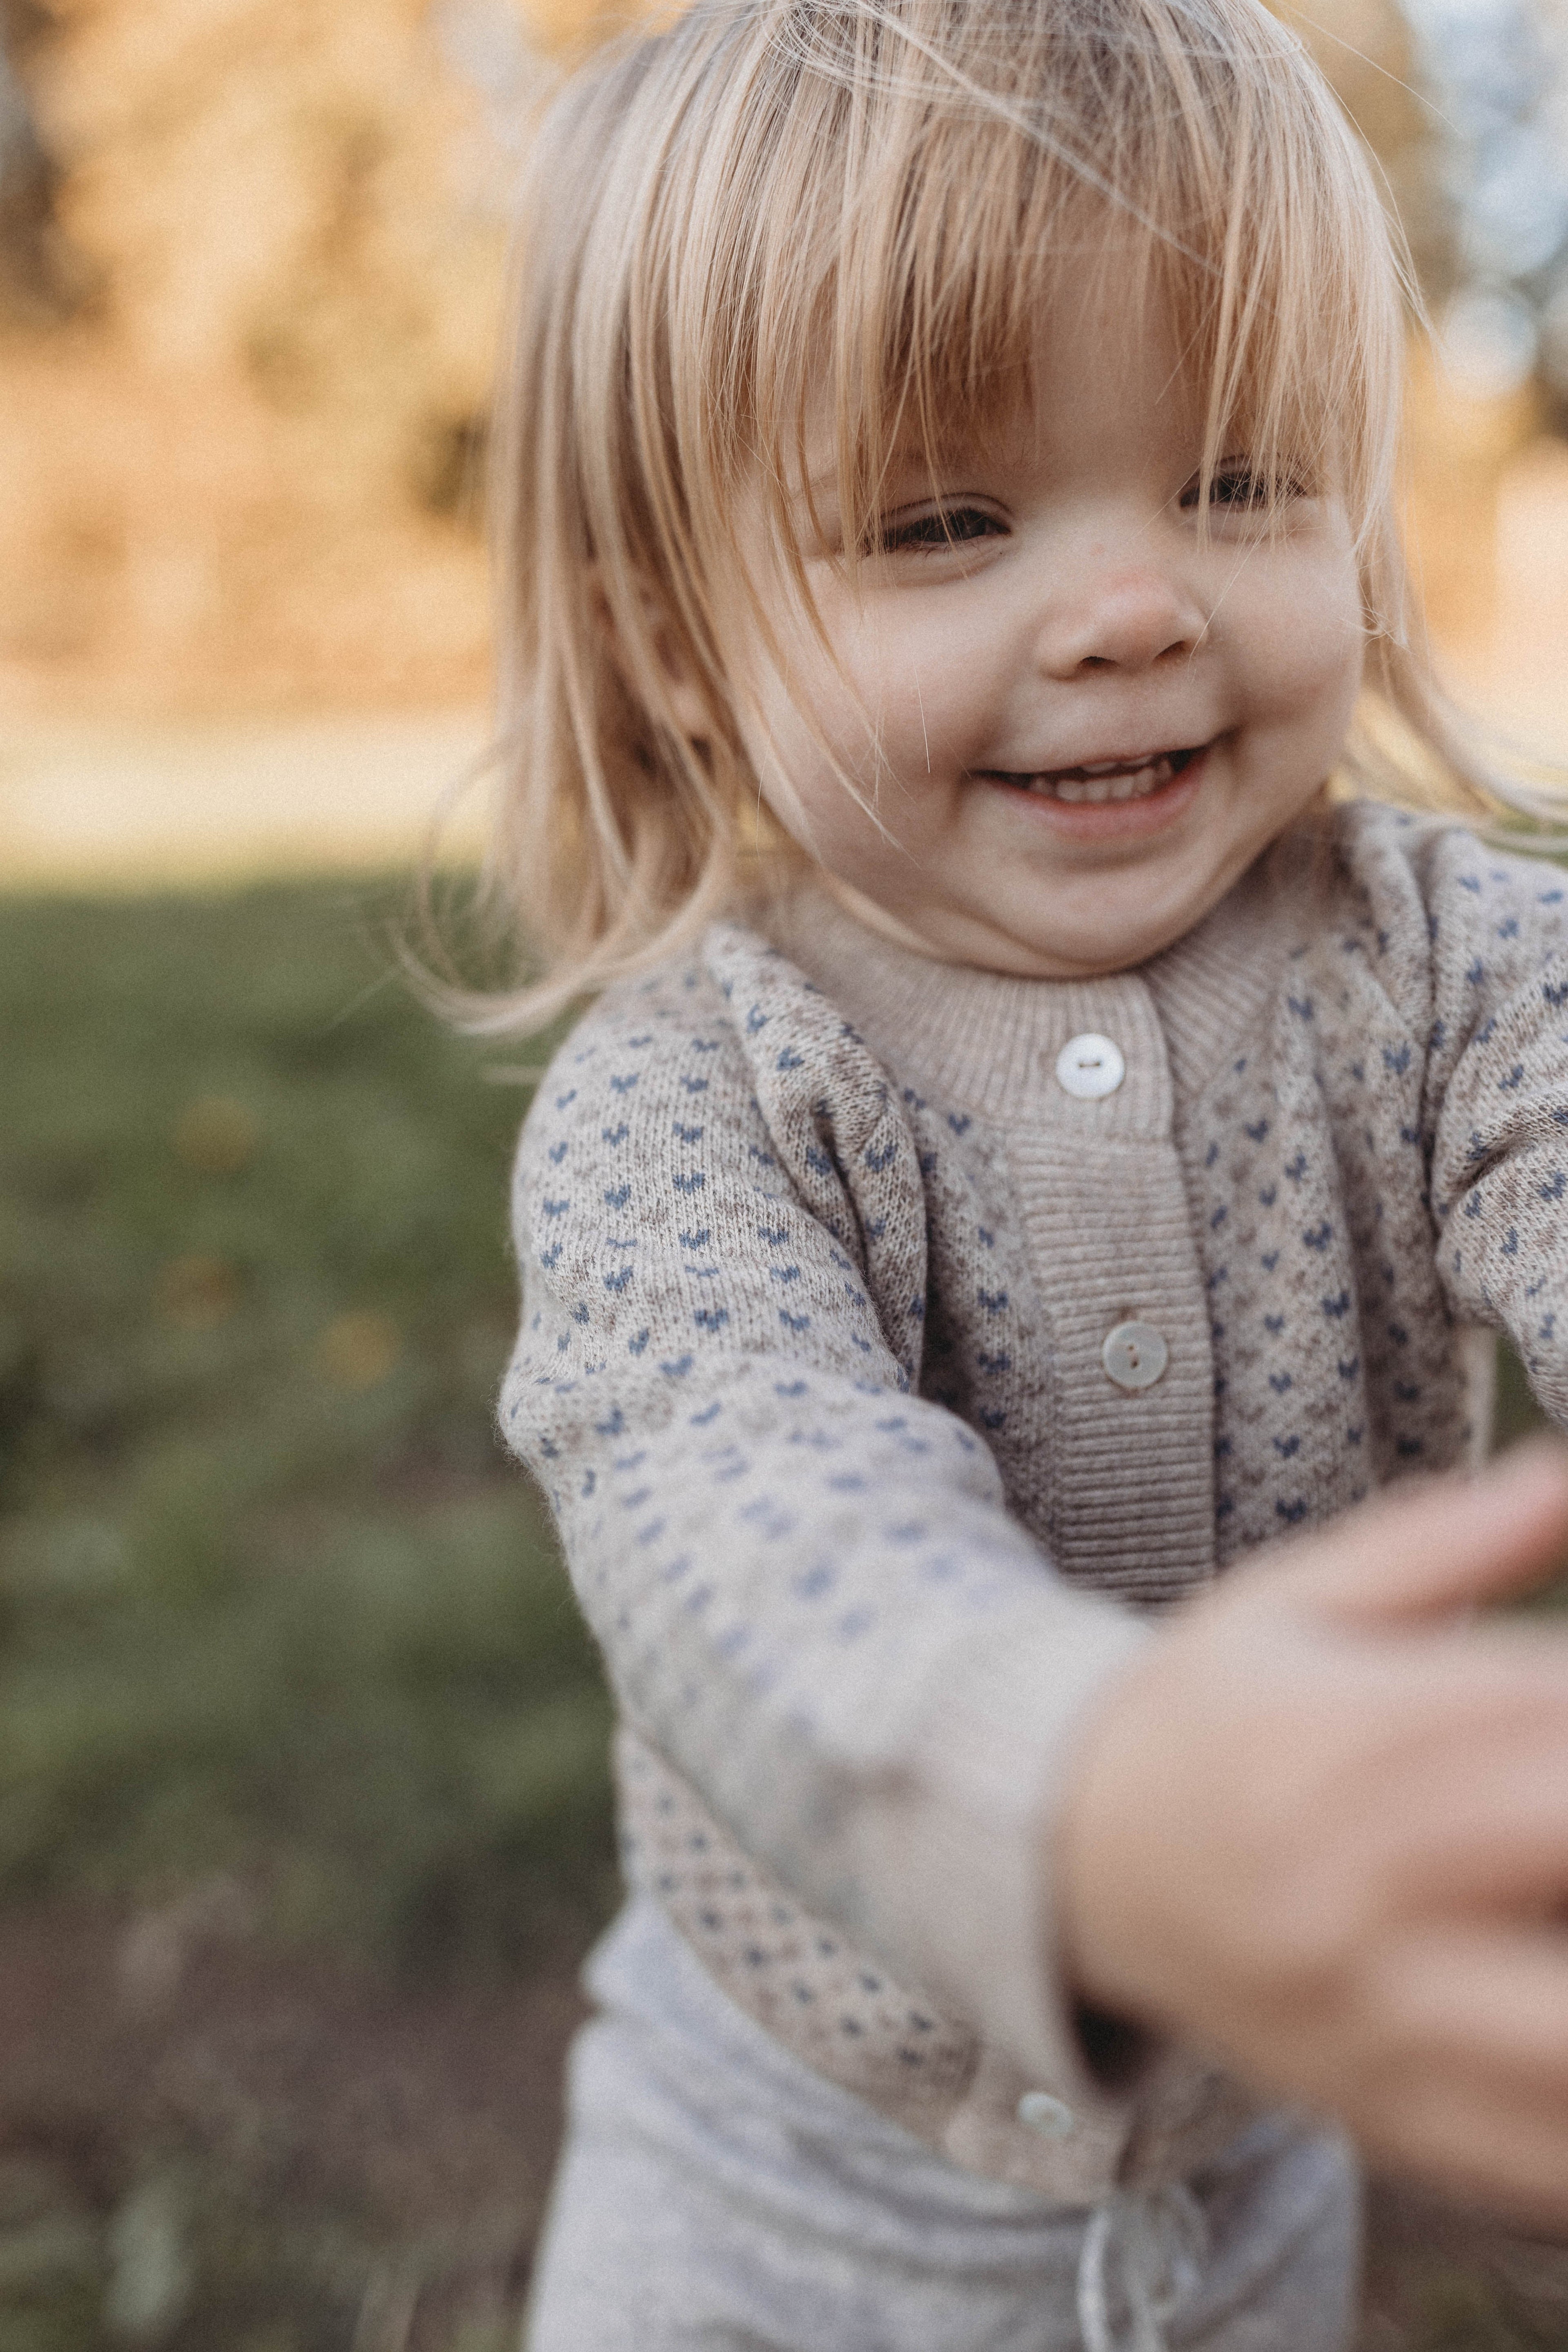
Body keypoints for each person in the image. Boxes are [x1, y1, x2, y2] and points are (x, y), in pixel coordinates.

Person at [468, 2, 1568, 2343]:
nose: (1137, 604)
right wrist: (1080, 1799)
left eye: (1246, 479)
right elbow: (727, 1504)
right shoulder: (699, 1098)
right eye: (950, 519)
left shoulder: (1454, 968)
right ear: (670, 639)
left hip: (1244, 2189)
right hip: (761, 2213)